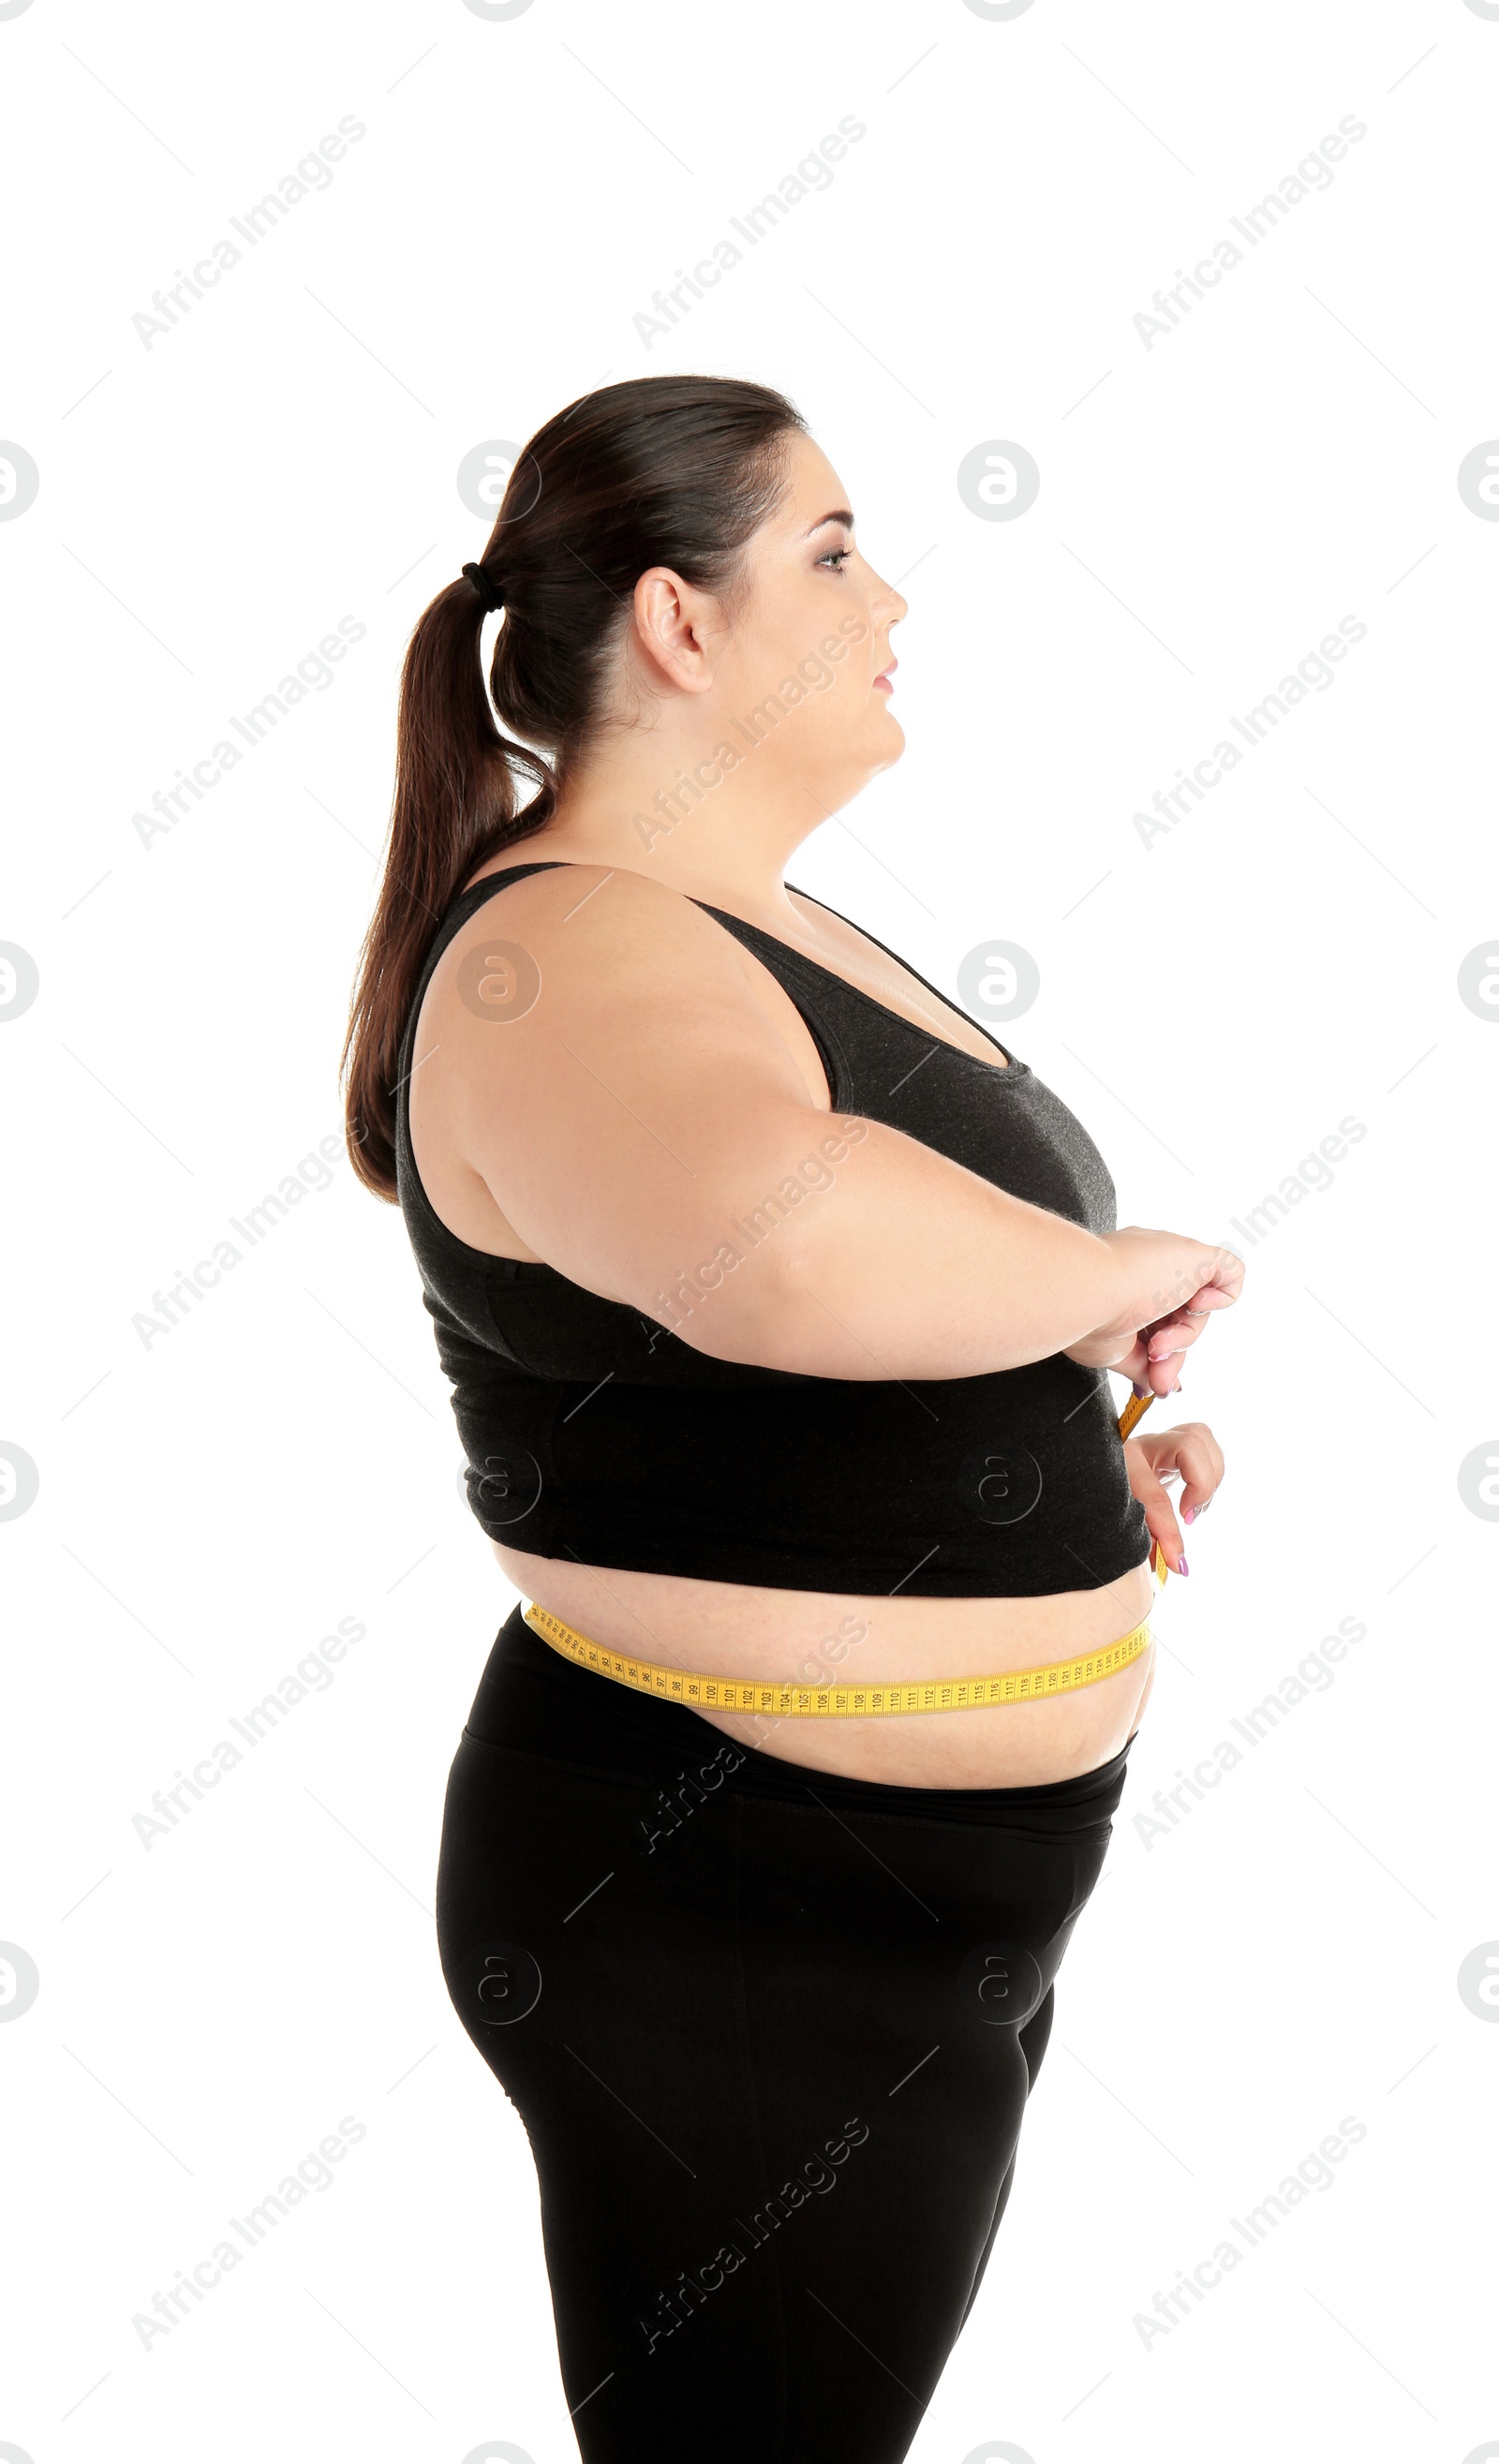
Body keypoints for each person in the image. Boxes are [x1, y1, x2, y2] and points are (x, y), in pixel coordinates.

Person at [342, 374, 1239, 2463]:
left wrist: (1053, 1438)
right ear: (675, 622)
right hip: (726, 1891)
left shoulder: (741, 926)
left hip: (914, 1880)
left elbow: (787, 1338)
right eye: (831, 551)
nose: (887, 594)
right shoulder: (558, 953)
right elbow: (782, 1247)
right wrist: (1119, 1282)